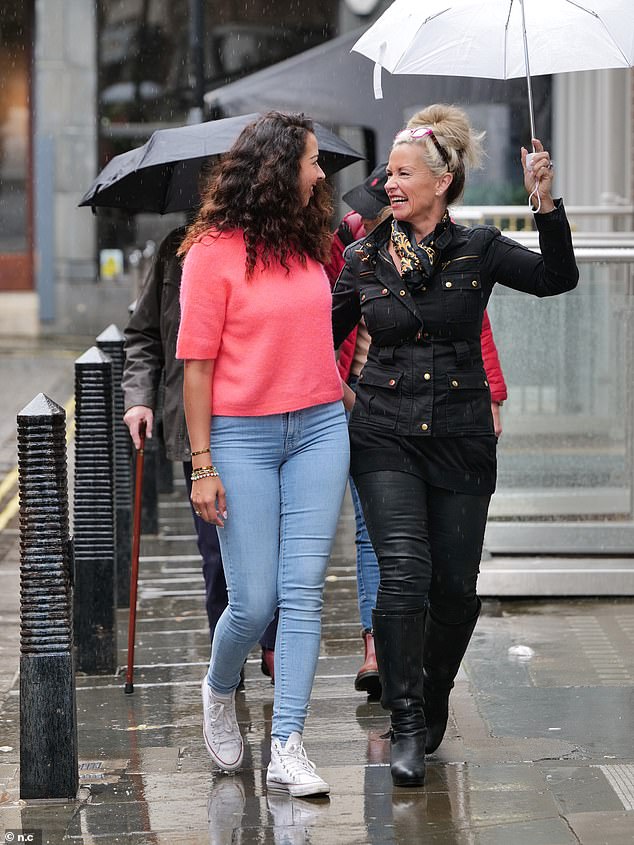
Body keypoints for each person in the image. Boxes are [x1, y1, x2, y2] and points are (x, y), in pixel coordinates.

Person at [332, 103, 578, 787]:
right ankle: (407, 718)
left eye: (403, 174)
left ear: (441, 182)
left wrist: (545, 203)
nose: (389, 183)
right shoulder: (363, 256)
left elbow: (559, 277)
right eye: (388, 175)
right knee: (404, 571)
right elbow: (315, 340)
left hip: (462, 434)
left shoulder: (480, 246)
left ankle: (433, 691)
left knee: (456, 588)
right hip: (383, 432)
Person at [175, 111, 349, 797]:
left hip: (318, 430)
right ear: (279, 170)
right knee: (253, 600)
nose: (319, 172)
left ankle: (288, 743)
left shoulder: (310, 240)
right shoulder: (211, 252)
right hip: (240, 437)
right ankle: (219, 689)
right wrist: (203, 463)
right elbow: (196, 366)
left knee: (304, 591)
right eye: (310, 161)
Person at [325, 163, 507, 700]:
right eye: (392, 185)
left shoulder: (464, 249)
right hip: (375, 412)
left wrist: (491, 392)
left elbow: (475, 325)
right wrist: (343, 391)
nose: (396, 196)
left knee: (447, 572)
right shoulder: (357, 246)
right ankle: (377, 651)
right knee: (383, 545)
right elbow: (325, 326)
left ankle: (428, 674)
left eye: (407, 180)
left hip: (450, 416)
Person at [122, 224, 277, 679]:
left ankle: (272, 643)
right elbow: (145, 334)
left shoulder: (274, 240)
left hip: (263, 415)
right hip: (200, 425)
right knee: (216, 555)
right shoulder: (177, 248)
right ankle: (226, 668)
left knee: (276, 546)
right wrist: (139, 398)